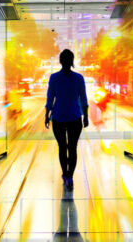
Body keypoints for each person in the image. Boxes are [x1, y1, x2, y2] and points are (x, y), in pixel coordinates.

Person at [45, 49, 89, 190]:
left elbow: (50, 98)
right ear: (72, 61)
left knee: (62, 148)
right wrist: (86, 116)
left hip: (58, 117)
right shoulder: (78, 78)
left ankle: (66, 174)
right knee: (72, 148)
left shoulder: (54, 78)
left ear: (60, 61)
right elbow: (84, 99)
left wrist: (47, 115)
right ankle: (69, 176)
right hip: (75, 118)